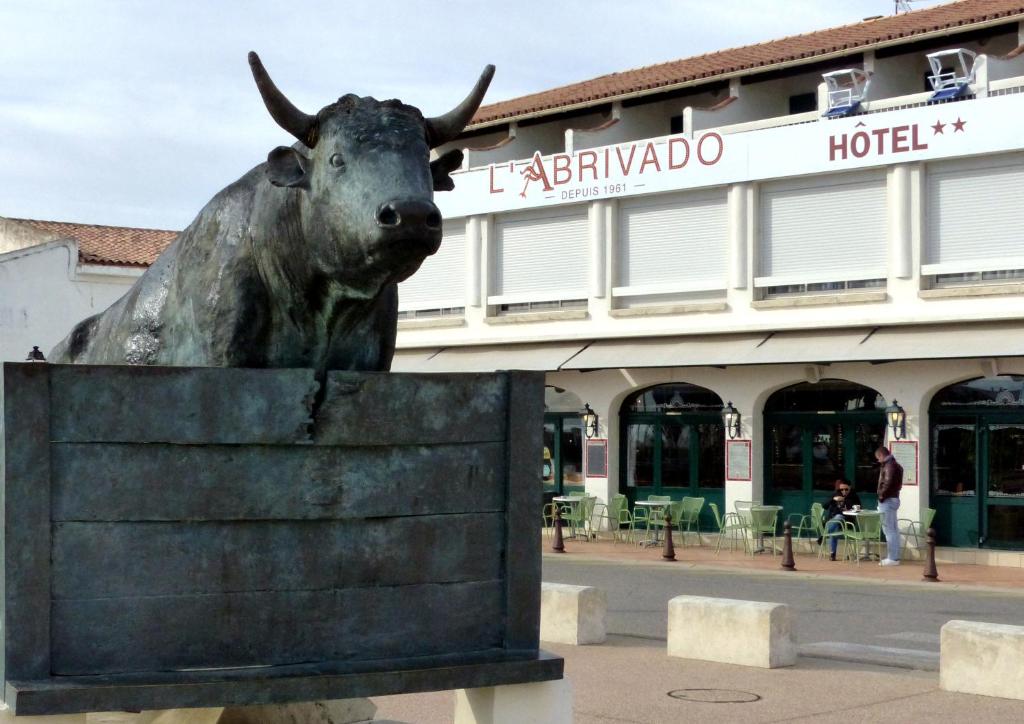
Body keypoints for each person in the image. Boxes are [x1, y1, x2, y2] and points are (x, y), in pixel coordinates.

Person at [876, 446, 904, 566]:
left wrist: (881, 496)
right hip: (894, 498)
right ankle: (895, 557)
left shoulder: (889, 466)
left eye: (878, 458)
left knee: (888, 530)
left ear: (881, 455)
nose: (878, 461)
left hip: (887, 500)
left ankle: (892, 558)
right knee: (893, 529)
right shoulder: (896, 465)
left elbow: (887, 482)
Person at [822, 478, 861, 561]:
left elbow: (859, 507)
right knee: (834, 528)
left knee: (838, 517)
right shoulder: (836, 494)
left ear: (850, 487)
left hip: (848, 521)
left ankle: (823, 535)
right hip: (835, 521)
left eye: (846, 489)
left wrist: (845, 500)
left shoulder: (854, 495)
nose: (844, 491)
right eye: (842, 489)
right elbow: (824, 506)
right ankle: (832, 554)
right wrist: (833, 499)